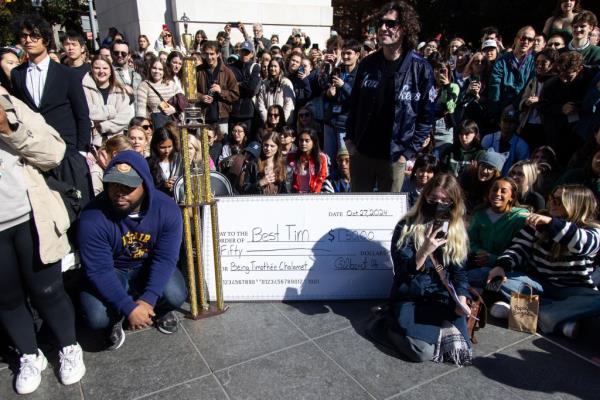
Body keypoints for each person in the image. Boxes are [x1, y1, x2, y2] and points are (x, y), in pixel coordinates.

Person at [0, 85, 85, 394]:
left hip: (28, 217)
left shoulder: (10, 103)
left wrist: (10, 129)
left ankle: (68, 346)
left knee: (48, 290)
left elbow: (54, 152)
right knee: (6, 299)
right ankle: (28, 353)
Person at [78, 150, 187, 350]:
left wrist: (148, 300)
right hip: (113, 269)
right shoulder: (92, 218)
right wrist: (128, 308)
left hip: (146, 265)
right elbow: (99, 271)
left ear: (144, 183)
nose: (119, 191)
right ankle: (117, 317)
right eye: (113, 184)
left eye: (128, 186)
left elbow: (165, 259)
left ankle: (156, 310)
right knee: (96, 318)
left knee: (176, 294)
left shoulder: (167, 209)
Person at [486, 184, 600, 338]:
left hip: (571, 291)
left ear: (576, 204)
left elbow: (580, 242)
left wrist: (551, 223)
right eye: (552, 198)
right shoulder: (540, 222)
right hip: (538, 285)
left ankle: (524, 313)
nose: (552, 203)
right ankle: (556, 320)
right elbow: (518, 248)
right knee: (499, 280)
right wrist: (501, 266)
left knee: (596, 300)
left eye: (558, 200)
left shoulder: (593, 231)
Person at [345, 1, 435, 193]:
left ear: (404, 29)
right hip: (362, 153)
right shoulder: (367, 64)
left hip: (395, 157)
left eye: (391, 24)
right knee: (356, 212)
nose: (383, 28)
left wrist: (407, 153)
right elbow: (353, 105)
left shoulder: (421, 69)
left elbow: (426, 118)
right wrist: (350, 142)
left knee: (390, 217)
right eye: (381, 23)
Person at [386, 173, 472, 365]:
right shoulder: (406, 225)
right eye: (433, 199)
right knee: (421, 352)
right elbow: (401, 273)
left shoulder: (456, 228)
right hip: (411, 295)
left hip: (442, 296)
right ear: (425, 197)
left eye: (445, 200)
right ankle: (389, 325)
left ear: (453, 203)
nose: (438, 204)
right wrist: (424, 250)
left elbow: (459, 272)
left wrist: (462, 299)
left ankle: (435, 332)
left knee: (461, 348)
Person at [11, 15, 93, 207]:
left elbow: (82, 114)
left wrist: (80, 151)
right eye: (24, 36)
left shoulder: (67, 74)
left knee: (79, 207)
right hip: (36, 154)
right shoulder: (17, 74)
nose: (28, 40)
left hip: (68, 154)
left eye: (34, 36)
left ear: (46, 39)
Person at [538, 51, 596, 165]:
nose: (564, 80)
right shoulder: (551, 84)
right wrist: (561, 108)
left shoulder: (591, 77)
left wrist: (580, 106)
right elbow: (542, 106)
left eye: (568, 76)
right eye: (561, 75)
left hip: (584, 129)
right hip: (559, 131)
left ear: (579, 69)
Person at [467, 177, 528, 278]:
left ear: (511, 197)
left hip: (506, 270)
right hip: (477, 263)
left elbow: (520, 249)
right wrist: (479, 253)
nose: (498, 193)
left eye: (503, 191)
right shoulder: (479, 215)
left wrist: (493, 259)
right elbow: (470, 241)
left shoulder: (519, 218)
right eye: (494, 190)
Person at [487, 26, 536, 120]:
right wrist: (496, 111)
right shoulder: (502, 60)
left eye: (530, 39)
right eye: (523, 38)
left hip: (524, 107)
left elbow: (531, 85)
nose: (526, 42)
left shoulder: (534, 61)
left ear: (532, 43)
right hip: (502, 107)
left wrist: (515, 105)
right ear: (516, 40)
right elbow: (495, 86)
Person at [323, 39, 359, 162]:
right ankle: (330, 182)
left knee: (344, 161)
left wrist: (343, 86)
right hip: (330, 121)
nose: (345, 56)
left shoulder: (361, 74)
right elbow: (325, 91)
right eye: (343, 53)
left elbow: (359, 98)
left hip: (345, 126)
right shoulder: (337, 70)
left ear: (357, 55)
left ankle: (343, 182)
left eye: (349, 53)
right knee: (328, 160)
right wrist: (329, 93)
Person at [83, 55, 134, 143]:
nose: (101, 71)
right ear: (92, 70)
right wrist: (110, 111)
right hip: (92, 142)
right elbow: (87, 111)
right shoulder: (84, 89)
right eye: (97, 68)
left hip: (116, 142)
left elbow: (124, 118)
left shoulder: (120, 91)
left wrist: (101, 126)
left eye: (105, 68)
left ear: (111, 71)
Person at [517, 48, 559, 151]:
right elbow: (523, 100)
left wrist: (540, 102)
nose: (539, 66)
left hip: (545, 127)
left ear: (553, 64)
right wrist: (526, 102)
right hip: (528, 124)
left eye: (544, 63)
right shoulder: (534, 80)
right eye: (537, 62)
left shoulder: (557, 82)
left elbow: (557, 105)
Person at [196, 41, 240, 136]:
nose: (209, 57)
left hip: (222, 117)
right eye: (206, 54)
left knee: (221, 145)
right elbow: (190, 92)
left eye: (212, 54)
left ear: (218, 54)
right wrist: (201, 97)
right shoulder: (198, 71)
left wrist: (221, 91)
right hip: (203, 116)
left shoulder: (227, 72)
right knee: (201, 146)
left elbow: (235, 94)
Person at [481, 109, 530, 175]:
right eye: (505, 121)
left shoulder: (522, 145)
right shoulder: (488, 139)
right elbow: (481, 162)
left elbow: (523, 169)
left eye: (511, 122)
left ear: (516, 125)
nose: (507, 125)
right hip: (488, 176)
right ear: (499, 123)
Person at [228, 41, 262, 135]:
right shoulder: (231, 67)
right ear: (239, 52)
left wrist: (238, 84)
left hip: (248, 112)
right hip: (233, 111)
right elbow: (229, 86)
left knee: (247, 138)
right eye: (243, 52)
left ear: (251, 54)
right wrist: (244, 84)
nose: (244, 55)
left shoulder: (255, 67)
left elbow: (251, 88)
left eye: (247, 52)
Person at [135, 57, 181, 125]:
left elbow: (182, 103)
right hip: (156, 124)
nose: (157, 71)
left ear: (164, 71)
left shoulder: (171, 84)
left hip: (173, 123)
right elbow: (141, 111)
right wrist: (143, 127)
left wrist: (174, 109)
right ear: (150, 69)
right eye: (154, 68)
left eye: (160, 69)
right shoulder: (144, 85)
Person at [286, 128, 328, 193]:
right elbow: (287, 178)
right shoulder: (291, 155)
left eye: (307, 141)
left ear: (313, 142)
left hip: (314, 194)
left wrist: (315, 194)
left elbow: (321, 178)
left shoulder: (321, 157)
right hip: (294, 195)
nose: (303, 143)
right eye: (301, 140)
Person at [256, 58, 295, 125]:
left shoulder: (286, 83)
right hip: (268, 122)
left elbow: (289, 104)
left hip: (282, 123)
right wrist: (267, 120)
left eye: (275, 66)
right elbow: (261, 103)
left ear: (280, 68)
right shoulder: (265, 83)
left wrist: (282, 121)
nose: (273, 68)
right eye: (271, 66)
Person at [147, 124, 182, 196]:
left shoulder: (179, 160)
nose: (167, 151)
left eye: (169, 146)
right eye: (162, 147)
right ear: (155, 146)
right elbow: (147, 187)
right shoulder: (149, 163)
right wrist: (163, 186)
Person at [112, 40, 142, 109]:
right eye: (116, 53)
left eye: (123, 53)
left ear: (129, 55)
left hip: (136, 114)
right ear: (112, 54)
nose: (119, 55)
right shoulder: (109, 72)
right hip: (119, 114)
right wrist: (122, 88)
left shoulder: (137, 76)